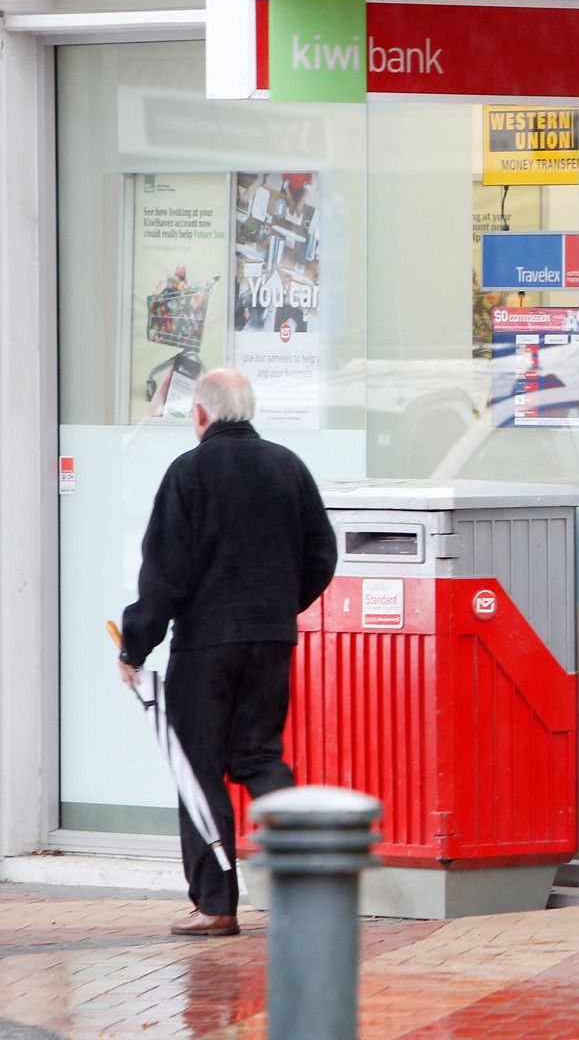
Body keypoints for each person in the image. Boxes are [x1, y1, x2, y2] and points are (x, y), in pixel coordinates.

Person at [116, 368, 338, 936]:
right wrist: (282, 607)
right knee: (259, 758)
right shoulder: (288, 466)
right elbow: (322, 553)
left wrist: (136, 646)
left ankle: (216, 905)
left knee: (199, 766)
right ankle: (313, 876)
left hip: (206, 644)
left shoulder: (188, 473)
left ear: (200, 415)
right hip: (271, 638)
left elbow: (163, 572)